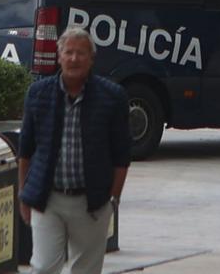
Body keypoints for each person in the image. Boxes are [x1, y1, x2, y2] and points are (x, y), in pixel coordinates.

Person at [18, 27, 131, 274]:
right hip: (47, 199)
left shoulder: (112, 97)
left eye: (81, 53)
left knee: (86, 269)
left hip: (92, 202)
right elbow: (25, 150)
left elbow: (122, 155)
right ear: (59, 56)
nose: (74, 59)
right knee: (44, 267)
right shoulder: (39, 94)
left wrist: (113, 199)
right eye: (68, 52)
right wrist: (23, 194)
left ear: (91, 59)